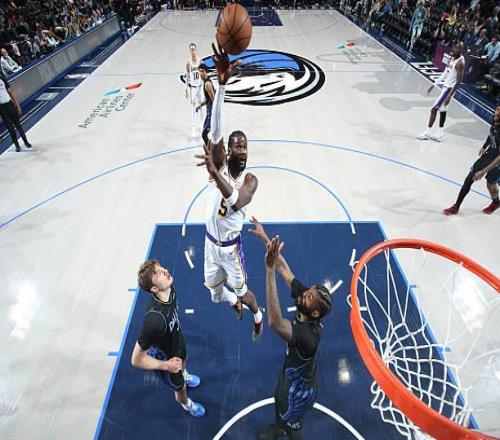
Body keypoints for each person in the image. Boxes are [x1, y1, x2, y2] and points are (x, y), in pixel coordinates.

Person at [195, 43, 264, 342]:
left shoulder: (250, 180)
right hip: (210, 243)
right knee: (214, 294)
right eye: (237, 146)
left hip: (230, 249)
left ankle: (257, 315)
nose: (242, 150)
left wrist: (213, 174)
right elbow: (215, 132)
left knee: (245, 292)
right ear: (229, 151)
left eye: (244, 146)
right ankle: (232, 301)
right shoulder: (221, 165)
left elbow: (235, 202)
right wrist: (221, 87)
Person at [249, 219, 332, 440]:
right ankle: (279, 427)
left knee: (291, 424)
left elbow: (275, 322)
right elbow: (284, 269)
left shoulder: (308, 337)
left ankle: (285, 431)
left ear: (316, 313)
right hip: (292, 376)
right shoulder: (307, 304)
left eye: (309, 296)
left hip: (299, 391)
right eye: (309, 290)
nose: (304, 294)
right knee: (280, 405)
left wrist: (268, 270)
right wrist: (266, 239)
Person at [131, 259, 206, 417]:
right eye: (158, 273)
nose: (165, 271)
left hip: (176, 341)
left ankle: (184, 375)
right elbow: (136, 360)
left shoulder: (170, 289)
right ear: (154, 288)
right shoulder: (154, 321)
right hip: (166, 358)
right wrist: (166, 365)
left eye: (161, 268)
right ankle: (187, 404)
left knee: (184, 359)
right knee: (180, 388)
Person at [443, 104, 500, 215]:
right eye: (497, 109)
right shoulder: (495, 121)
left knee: (490, 185)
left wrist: (483, 171)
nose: (496, 113)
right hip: (489, 155)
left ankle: (496, 203)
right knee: (469, 178)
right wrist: (484, 146)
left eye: (499, 112)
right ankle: (456, 207)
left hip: (497, 161)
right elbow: (491, 134)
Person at [417, 41, 464, 142]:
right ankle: (439, 134)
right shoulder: (452, 58)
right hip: (445, 87)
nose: (456, 49)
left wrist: (449, 96)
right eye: (455, 47)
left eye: (458, 48)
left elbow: (459, 82)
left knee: (434, 109)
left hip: (448, 90)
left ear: (461, 50)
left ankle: (427, 132)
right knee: (443, 111)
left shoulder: (460, 63)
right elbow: (445, 73)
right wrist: (434, 85)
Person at [0, 72, 31, 152]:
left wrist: (17, 105)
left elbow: (11, 93)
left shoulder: (2, 80)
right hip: (2, 108)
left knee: (18, 125)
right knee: (11, 129)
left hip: (10, 104)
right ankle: (17, 145)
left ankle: (26, 141)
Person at [185, 42, 204, 138]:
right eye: (191, 49)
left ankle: (202, 125)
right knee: (193, 108)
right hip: (193, 88)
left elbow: (203, 73)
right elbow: (187, 76)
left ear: (196, 50)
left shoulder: (200, 61)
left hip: (200, 86)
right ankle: (193, 128)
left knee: (201, 106)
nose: (193, 51)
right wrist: (186, 89)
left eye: (194, 49)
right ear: (189, 50)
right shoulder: (188, 63)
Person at [195, 63, 215, 147]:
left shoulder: (207, 84)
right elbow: (208, 99)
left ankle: (211, 151)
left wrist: (215, 115)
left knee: (204, 134)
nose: (200, 74)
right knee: (207, 133)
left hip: (212, 113)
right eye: (199, 71)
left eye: (201, 71)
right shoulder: (206, 82)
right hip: (210, 112)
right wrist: (200, 105)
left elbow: (214, 100)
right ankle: (213, 150)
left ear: (205, 71)